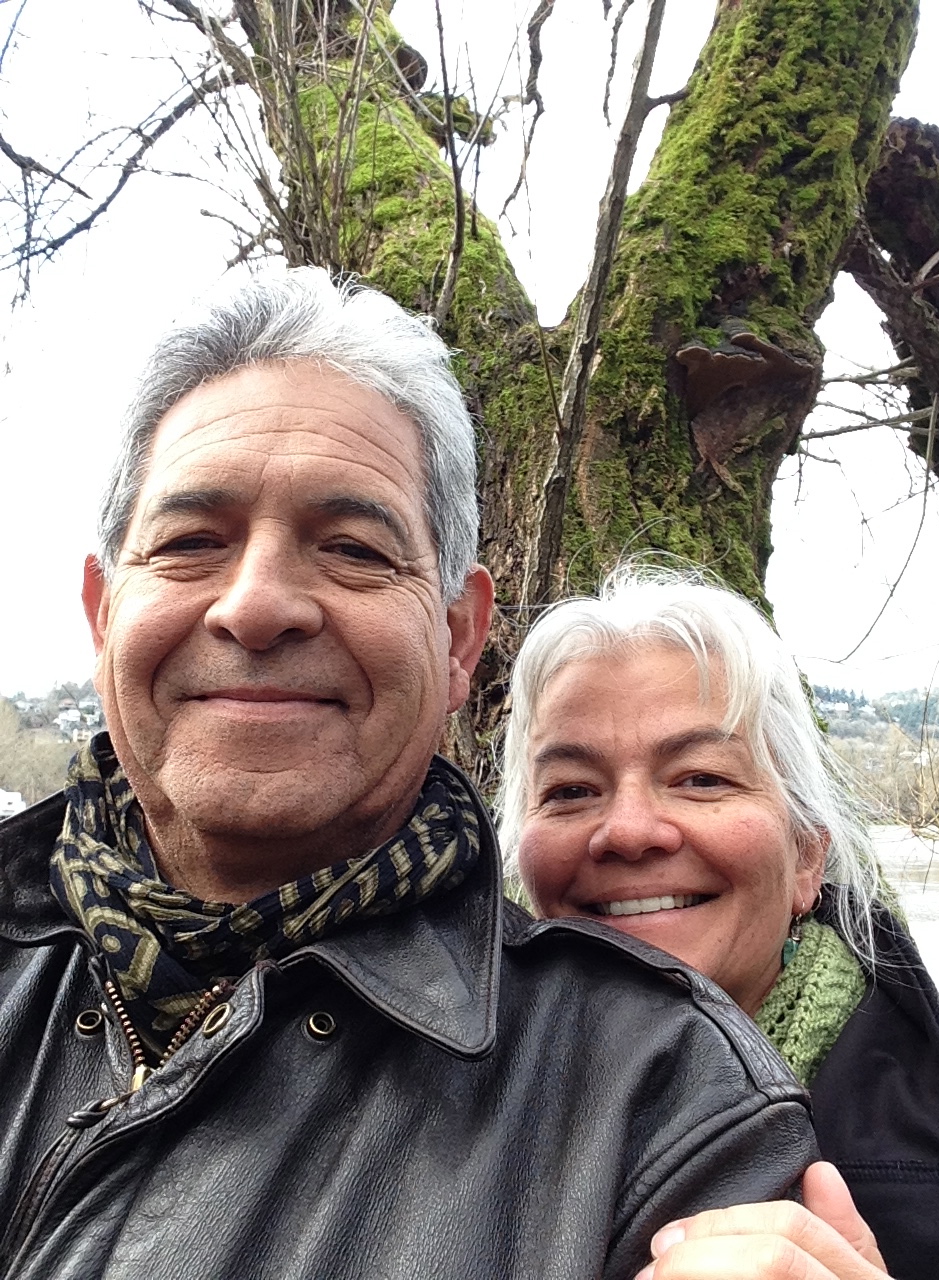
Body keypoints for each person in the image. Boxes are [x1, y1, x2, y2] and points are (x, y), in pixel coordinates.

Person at [0, 270, 817, 1280]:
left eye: (351, 548)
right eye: (190, 542)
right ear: (101, 614)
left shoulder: (656, 1100)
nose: (255, 606)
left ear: (458, 635)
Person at [499, 562, 939, 1280]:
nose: (627, 830)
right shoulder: (418, 1105)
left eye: (701, 778)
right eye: (570, 790)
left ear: (807, 856)